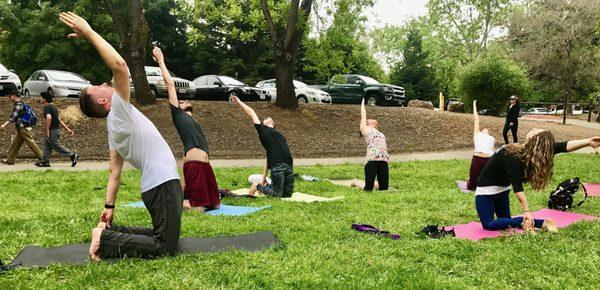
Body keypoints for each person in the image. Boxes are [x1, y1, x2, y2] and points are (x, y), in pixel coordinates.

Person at [59, 12, 182, 261]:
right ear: (104, 101)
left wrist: (109, 209)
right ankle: (105, 240)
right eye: (100, 87)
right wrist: (90, 32)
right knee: (165, 247)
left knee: (162, 236)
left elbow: (114, 172)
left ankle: (107, 231)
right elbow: (120, 65)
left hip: (158, 185)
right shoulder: (119, 110)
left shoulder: (115, 125)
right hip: (163, 184)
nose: (105, 83)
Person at [475, 128, 600, 232]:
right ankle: (541, 223)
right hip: (494, 191)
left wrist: (589, 141)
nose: (534, 128)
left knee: (489, 224)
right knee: (504, 223)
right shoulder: (512, 153)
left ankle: (533, 222)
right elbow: (565, 146)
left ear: (534, 141)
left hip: (494, 191)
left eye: (536, 130)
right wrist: (588, 141)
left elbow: (565, 146)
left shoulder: (524, 153)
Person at [152, 46, 220, 212]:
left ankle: (182, 196)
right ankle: (169, 202)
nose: (185, 101)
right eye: (182, 102)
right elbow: (170, 84)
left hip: (205, 166)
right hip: (195, 166)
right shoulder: (177, 115)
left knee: (215, 205)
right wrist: (161, 60)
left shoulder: (195, 123)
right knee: (198, 208)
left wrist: (185, 181)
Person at [232, 95, 294, 197]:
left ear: (274, 125)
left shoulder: (280, 135)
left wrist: (264, 177)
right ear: (263, 124)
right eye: (265, 119)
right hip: (277, 166)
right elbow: (251, 112)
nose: (268, 118)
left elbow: (268, 157)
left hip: (288, 165)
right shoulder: (263, 130)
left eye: (269, 118)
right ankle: (257, 186)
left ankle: (266, 187)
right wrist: (238, 101)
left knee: (287, 195)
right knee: (276, 195)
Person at [351, 98, 389, 191]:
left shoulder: (379, 132)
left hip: (383, 160)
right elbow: (363, 114)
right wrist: (362, 101)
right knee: (368, 189)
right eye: (369, 119)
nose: (372, 119)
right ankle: (355, 182)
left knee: (384, 188)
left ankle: (368, 182)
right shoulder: (365, 128)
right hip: (372, 160)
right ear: (368, 123)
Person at [0, 90, 44, 165]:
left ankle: (43, 158)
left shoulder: (18, 104)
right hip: (20, 128)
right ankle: (10, 160)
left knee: (31, 143)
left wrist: (4, 125)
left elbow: (13, 117)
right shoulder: (22, 104)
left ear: (14, 96)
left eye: (10, 97)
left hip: (23, 128)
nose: (9, 98)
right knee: (15, 144)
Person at [36, 92, 79, 167]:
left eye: (41, 98)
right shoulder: (54, 108)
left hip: (52, 130)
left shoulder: (47, 107)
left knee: (54, 144)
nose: (40, 99)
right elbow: (59, 120)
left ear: (44, 99)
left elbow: (49, 118)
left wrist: (47, 129)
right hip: (54, 129)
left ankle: (72, 155)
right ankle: (45, 161)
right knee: (47, 144)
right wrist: (67, 129)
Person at [466, 100, 495, 190]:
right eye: (483, 129)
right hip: (477, 159)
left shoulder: (492, 138)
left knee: (487, 184)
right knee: (471, 186)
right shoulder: (477, 134)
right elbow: (476, 118)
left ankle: (474, 179)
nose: (485, 129)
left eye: (487, 130)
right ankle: (470, 179)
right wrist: (474, 105)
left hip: (488, 160)